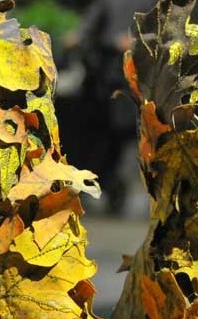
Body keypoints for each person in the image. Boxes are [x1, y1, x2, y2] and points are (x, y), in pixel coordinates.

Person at [63, 0, 157, 214]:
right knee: (100, 133)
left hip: (136, 75)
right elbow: (90, 23)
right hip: (104, 74)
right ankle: (100, 183)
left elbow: (163, 27)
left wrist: (137, 41)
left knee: (129, 134)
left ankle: (123, 186)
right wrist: (78, 36)